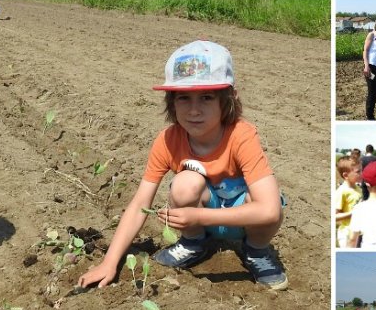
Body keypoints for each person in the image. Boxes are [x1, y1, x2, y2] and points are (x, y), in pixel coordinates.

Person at [78, 41, 288, 290]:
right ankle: (193, 243)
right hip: (199, 218)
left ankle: (256, 252)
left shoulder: (241, 136)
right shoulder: (167, 141)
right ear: (171, 102)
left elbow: (270, 211)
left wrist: (197, 215)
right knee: (184, 183)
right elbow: (140, 204)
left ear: (228, 100)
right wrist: (109, 262)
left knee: (267, 196)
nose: (194, 110)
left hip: (244, 222)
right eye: (184, 98)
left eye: (207, 97)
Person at [335, 156, 362, 248]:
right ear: (346, 175)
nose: (362, 174)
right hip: (347, 233)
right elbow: (335, 216)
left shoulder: (358, 188)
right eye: (358, 172)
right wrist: (352, 214)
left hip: (359, 232)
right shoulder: (342, 191)